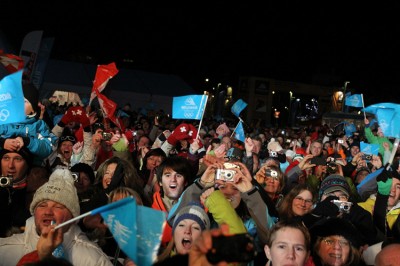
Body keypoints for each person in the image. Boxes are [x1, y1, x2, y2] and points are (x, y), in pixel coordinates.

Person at [0, 168, 112, 266]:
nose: (48, 211)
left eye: (58, 207)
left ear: (73, 216)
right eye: (42, 205)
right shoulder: (4, 250)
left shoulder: (93, 260)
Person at [152, 156, 194, 248]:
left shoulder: (197, 206)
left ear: (185, 182)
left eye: (178, 175)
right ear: (160, 182)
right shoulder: (148, 210)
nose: (173, 179)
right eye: (168, 175)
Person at [0, 147, 34, 237]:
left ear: (27, 165)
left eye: (17, 159)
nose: (10, 165)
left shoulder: (38, 192)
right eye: (6, 158)